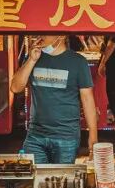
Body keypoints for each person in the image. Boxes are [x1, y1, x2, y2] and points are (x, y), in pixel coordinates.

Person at [10, 34, 97, 164]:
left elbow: (87, 99)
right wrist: (31, 60)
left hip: (66, 137)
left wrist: (93, 135)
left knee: (62, 181)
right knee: (36, 180)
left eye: (46, 32)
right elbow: (15, 88)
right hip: (35, 135)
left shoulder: (78, 62)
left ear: (61, 36)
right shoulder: (33, 57)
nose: (40, 36)